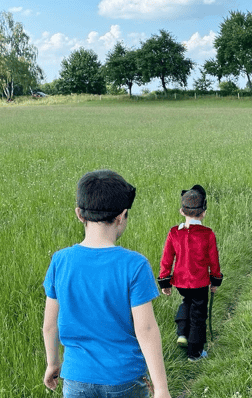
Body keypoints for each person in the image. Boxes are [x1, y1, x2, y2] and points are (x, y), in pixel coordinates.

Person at [42, 169, 170, 398]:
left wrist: (53, 363)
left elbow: (50, 325)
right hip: (124, 379)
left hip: (76, 379)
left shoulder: (60, 261)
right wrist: (161, 389)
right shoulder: (135, 265)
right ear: (121, 216)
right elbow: (146, 329)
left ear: (79, 214)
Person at [158, 185, 223, 362]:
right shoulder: (208, 234)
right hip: (200, 283)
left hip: (180, 283)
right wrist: (215, 280)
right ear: (204, 212)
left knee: (187, 301)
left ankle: (182, 334)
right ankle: (195, 353)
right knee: (198, 316)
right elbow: (213, 261)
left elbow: (166, 258)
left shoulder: (174, 232)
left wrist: (165, 281)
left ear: (181, 211)